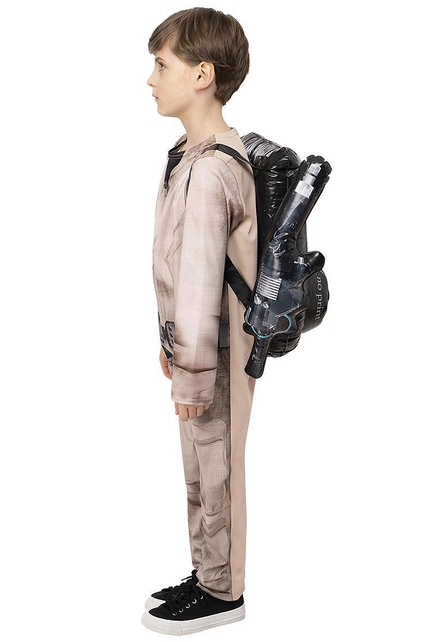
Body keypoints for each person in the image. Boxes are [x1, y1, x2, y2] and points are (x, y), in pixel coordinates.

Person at [141, 7, 258, 636]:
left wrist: (190, 370)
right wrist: (171, 343)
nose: (151, 79)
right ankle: (206, 572)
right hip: (194, 348)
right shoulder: (187, 154)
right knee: (198, 468)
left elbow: (201, 279)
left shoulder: (213, 167)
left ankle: (223, 592)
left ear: (202, 74)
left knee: (219, 470)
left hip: (216, 354)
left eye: (162, 65)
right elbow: (177, 262)